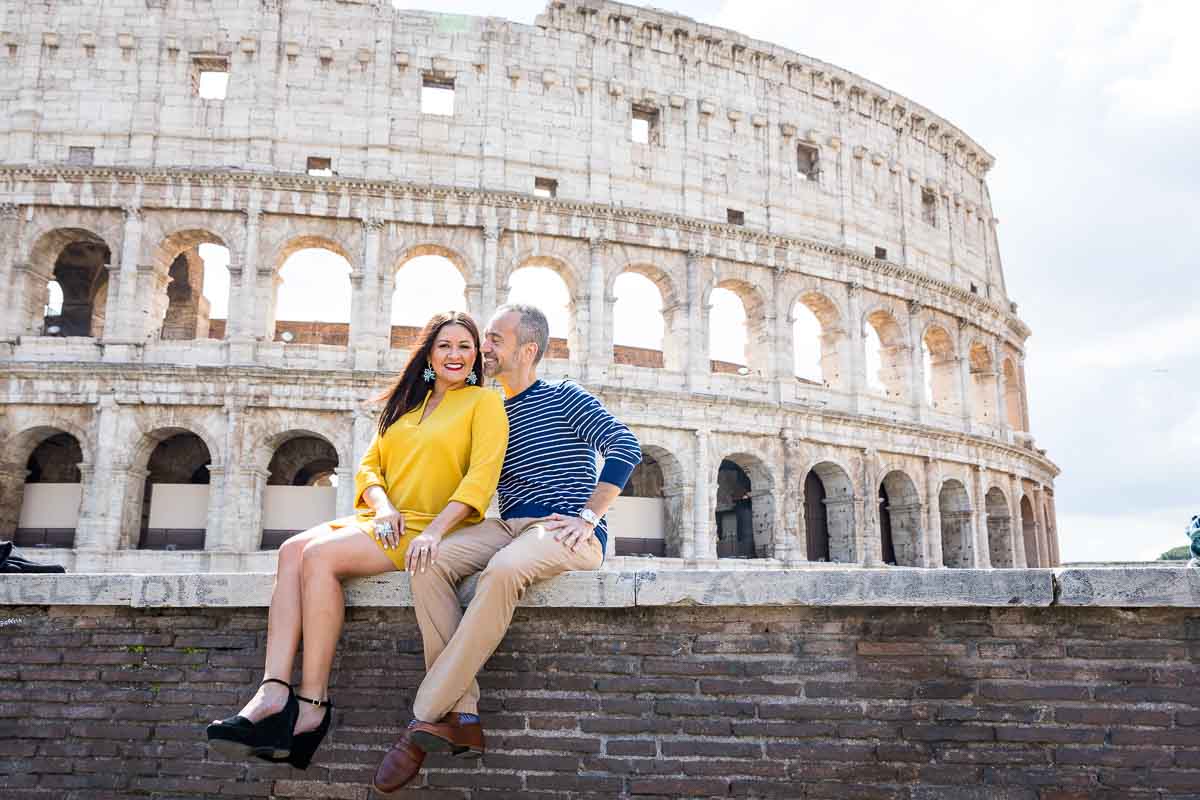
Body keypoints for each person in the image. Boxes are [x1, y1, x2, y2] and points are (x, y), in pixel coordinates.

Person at [206, 311, 508, 769]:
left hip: (433, 528)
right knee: (291, 551)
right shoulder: (407, 405)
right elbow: (370, 467)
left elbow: (481, 478)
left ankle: (313, 706)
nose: (456, 355)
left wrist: (434, 531)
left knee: (321, 557)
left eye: (465, 347)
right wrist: (382, 505)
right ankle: (272, 690)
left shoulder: (485, 403)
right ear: (428, 353)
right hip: (386, 519)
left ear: (476, 357)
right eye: (445, 345)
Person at [372, 303, 641, 793]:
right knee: (428, 563)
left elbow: (625, 447)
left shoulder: (565, 396)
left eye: (494, 338)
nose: (483, 346)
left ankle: (422, 720)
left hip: (565, 530)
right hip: (508, 525)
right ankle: (465, 715)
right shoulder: (485, 405)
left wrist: (589, 516)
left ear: (528, 349)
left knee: (501, 572)